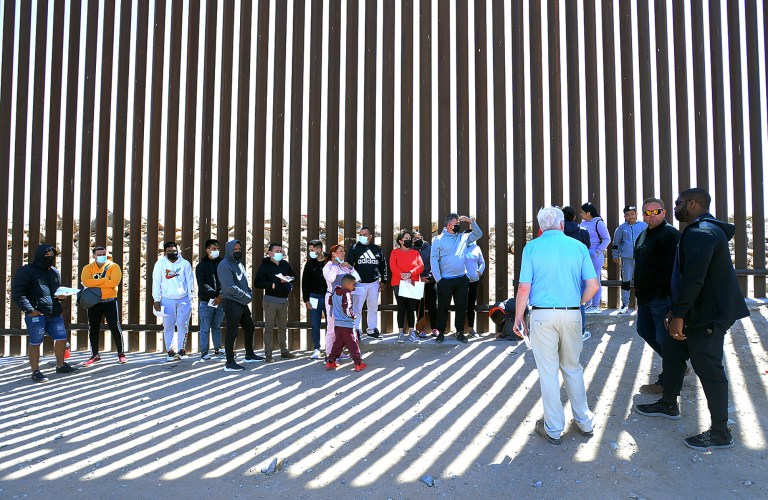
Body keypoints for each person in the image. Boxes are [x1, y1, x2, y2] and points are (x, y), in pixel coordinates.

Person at [636, 188, 750, 450]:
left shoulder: (702, 232)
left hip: (707, 316)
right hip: (692, 311)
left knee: (709, 370)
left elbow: (694, 279)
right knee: (672, 352)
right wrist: (675, 310)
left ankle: (721, 432)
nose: (674, 208)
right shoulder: (697, 230)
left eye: (677, 203)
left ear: (693, 203)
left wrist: (678, 315)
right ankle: (668, 403)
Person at [513, 206, 599, 445]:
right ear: (562, 224)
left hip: (542, 316)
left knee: (548, 373)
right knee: (573, 368)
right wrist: (577, 303)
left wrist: (519, 317)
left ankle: (553, 428)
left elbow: (523, 288)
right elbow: (593, 286)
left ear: (540, 226)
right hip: (571, 314)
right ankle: (584, 421)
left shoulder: (532, 248)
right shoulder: (579, 247)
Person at [632, 198, 680, 394]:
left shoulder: (671, 235)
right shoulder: (643, 234)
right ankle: (678, 365)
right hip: (644, 298)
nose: (651, 216)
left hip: (661, 298)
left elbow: (673, 269)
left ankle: (667, 381)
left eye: (656, 211)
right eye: (647, 212)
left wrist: (665, 296)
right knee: (644, 330)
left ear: (664, 212)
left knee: (664, 340)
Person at [12, 244, 79, 382]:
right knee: (35, 342)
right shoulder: (26, 271)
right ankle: (35, 371)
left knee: (61, 338)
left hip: (54, 312)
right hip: (36, 313)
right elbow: (18, 294)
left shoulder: (54, 272)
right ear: (40, 255)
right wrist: (30, 310)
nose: (50, 257)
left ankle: (61, 365)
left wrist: (60, 297)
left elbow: (53, 292)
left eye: (52, 255)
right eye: (47, 254)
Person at [430, 213, 483, 344]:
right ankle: (441, 332)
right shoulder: (438, 239)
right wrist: (438, 279)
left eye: (459, 224)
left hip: (461, 279)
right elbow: (434, 260)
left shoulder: (463, 237)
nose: (459, 226)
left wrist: (471, 221)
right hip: (445, 280)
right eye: (456, 224)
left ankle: (460, 332)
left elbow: (478, 234)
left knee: (461, 306)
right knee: (443, 307)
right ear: (449, 225)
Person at [218, 239, 263, 371]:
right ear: (229, 250)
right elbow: (228, 288)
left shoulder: (239, 263)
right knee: (231, 332)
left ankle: (249, 354)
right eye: (235, 249)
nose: (237, 251)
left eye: (239, 249)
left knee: (249, 327)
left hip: (241, 302)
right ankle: (230, 362)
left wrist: (247, 293)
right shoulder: (224, 265)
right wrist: (245, 296)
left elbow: (243, 282)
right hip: (232, 302)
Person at [81, 246, 127, 366]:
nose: (102, 256)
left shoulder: (113, 266)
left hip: (110, 301)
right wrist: (105, 280)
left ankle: (121, 353)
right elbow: (86, 282)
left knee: (114, 327)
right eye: (99, 254)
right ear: (94, 256)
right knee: (93, 328)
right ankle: (95, 354)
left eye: (104, 254)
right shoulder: (88, 267)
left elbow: (114, 282)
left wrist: (95, 284)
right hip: (94, 302)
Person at [255, 243, 297, 362]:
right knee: (269, 328)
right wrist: (270, 285)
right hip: (270, 301)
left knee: (282, 327)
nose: (280, 253)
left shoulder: (285, 264)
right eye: (277, 251)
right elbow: (257, 282)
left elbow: (294, 276)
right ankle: (268, 354)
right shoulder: (264, 266)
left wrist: (288, 279)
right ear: (270, 253)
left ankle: (284, 351)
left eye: (281, 250)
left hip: (284, 301)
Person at [152, 242, 195, 361]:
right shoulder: (160, 264)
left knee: (183, 325)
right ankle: (170, 351)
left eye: (174, 250)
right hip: (167, 299)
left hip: (183, 299)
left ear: (178, 250)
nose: (172, 253)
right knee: (168, 326)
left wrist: (191, 299)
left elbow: (190, 281)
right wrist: (156, 299)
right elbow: (156, 282)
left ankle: (182, 350)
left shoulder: (185, 264)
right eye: (169, 251)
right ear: (165, 252)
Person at [346, 227, 388, 338]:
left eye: (364, 234)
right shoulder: (354, 248)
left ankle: (371, 329)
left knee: (373, 307)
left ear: (370, 236)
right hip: (359, 284)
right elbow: (349, 266)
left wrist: (383, 280)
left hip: (374, 283)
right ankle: (356, 330)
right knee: (356, 308)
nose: (362, 236)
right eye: (360, 234)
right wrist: (351, 282)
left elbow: (383, 266)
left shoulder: (377, 249)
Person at [323, 245, 361, 361]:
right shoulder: (328, 266)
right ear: (334, 254)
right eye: (340, 251)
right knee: (331, 327)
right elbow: (331, 279)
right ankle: (329, 353)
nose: (343, 253)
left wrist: (351, 268)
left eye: (343, 251)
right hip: (333, 299)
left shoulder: (345, 267)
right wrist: (335, 265)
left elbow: (357, 279)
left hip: (345, 299)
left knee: (343, 326)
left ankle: (338, 352)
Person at [325, 274, 367, 372]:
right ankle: (358, 363)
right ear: (347, 284)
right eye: (353, 285)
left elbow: (330, 302)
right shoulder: (347, 294)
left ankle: (330, 361)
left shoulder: (335, 292)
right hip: (347, 325)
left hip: (338, 324)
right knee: (353, 344)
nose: (354, 287)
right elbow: (347, 308)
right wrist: (352, 316)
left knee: (338, 344)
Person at [389, 230, 425, 343]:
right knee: (401, 308)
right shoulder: (394, 252)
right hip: (399, 283)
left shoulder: (416, 253)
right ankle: (400, 333)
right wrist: (403, 275)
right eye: (406, 238)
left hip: (413, 282)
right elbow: (393, 266)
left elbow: (421, 266)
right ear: (400, 241)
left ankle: (411, 332)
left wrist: (410, 273)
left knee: (411, 308)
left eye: (410, 238)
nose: (409, 240)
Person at [563, 206, 592, 341]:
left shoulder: (559, 232)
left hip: (561, 269)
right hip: (579, 269)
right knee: (579, 300)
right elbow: (587, 248)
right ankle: (580, 330)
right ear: (574, 217)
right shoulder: (583, 231)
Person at [612, 205, 648, 313]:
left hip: (641, 258)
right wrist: (615, 255)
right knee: (626, 281)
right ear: (624, 216)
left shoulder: (644, 226)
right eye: (627, 214)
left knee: (640, 281)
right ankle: (625, 304)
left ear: (637, 214)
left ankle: (640, 304)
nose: (630, 216)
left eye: (632, 214)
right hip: (626, 258)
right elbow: (616, 243)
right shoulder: (621, 228)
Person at [196, 239, 225, 360]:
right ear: (207, 250)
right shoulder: (201, 266)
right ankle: (204, 351)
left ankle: (218, 348)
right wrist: (215, 295)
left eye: (217, 249)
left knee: (217, 326)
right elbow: (202, 284)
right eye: (214, 249)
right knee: (205, 328)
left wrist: (221, 296)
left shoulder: (223, 264)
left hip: (221, 301)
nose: (216, 251)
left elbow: (227, 280)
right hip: (206, 301)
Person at [580, 203, 611, 313]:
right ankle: (587, 303)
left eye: (582, 212)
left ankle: (595, 305)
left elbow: (607, 239)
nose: (580, 214)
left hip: (594, 254)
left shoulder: (598, 222)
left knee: (595, 279)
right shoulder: (583, 223)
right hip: (584, 254)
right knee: (585, 279)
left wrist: (597, 251)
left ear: (588, 213)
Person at [302, 239, 328, 359]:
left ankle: (330, 348)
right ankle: (316, 348)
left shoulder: (329, 260)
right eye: (309, 250)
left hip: (329, 296)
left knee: (331, 323)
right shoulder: (310, 263)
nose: (310, 252)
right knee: (315, 323)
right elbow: (305, 283)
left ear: (320, 249)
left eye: (312, 250)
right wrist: (306, 300)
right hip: (314, 297)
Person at [412, 231, 437, 338]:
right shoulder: (411, 250)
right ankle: (421, 329)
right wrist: (419, 278)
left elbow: (435, 263)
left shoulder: (430, 248)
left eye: (417, 238)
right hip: (417, 280)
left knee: (433, 304)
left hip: (430, 280)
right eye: (413, 239)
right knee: (419, 305)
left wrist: (429, 276)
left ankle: (434, 328)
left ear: (421, 237)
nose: (415, 240)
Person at [464, 234, 486, 337]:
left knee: (471, 304)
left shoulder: (477, 248)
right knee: (460, 304)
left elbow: (482, 262)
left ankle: (471, 328)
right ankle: (459, 329)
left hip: (474, 281)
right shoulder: (460, 247)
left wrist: (479, 272)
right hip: (461, 281)